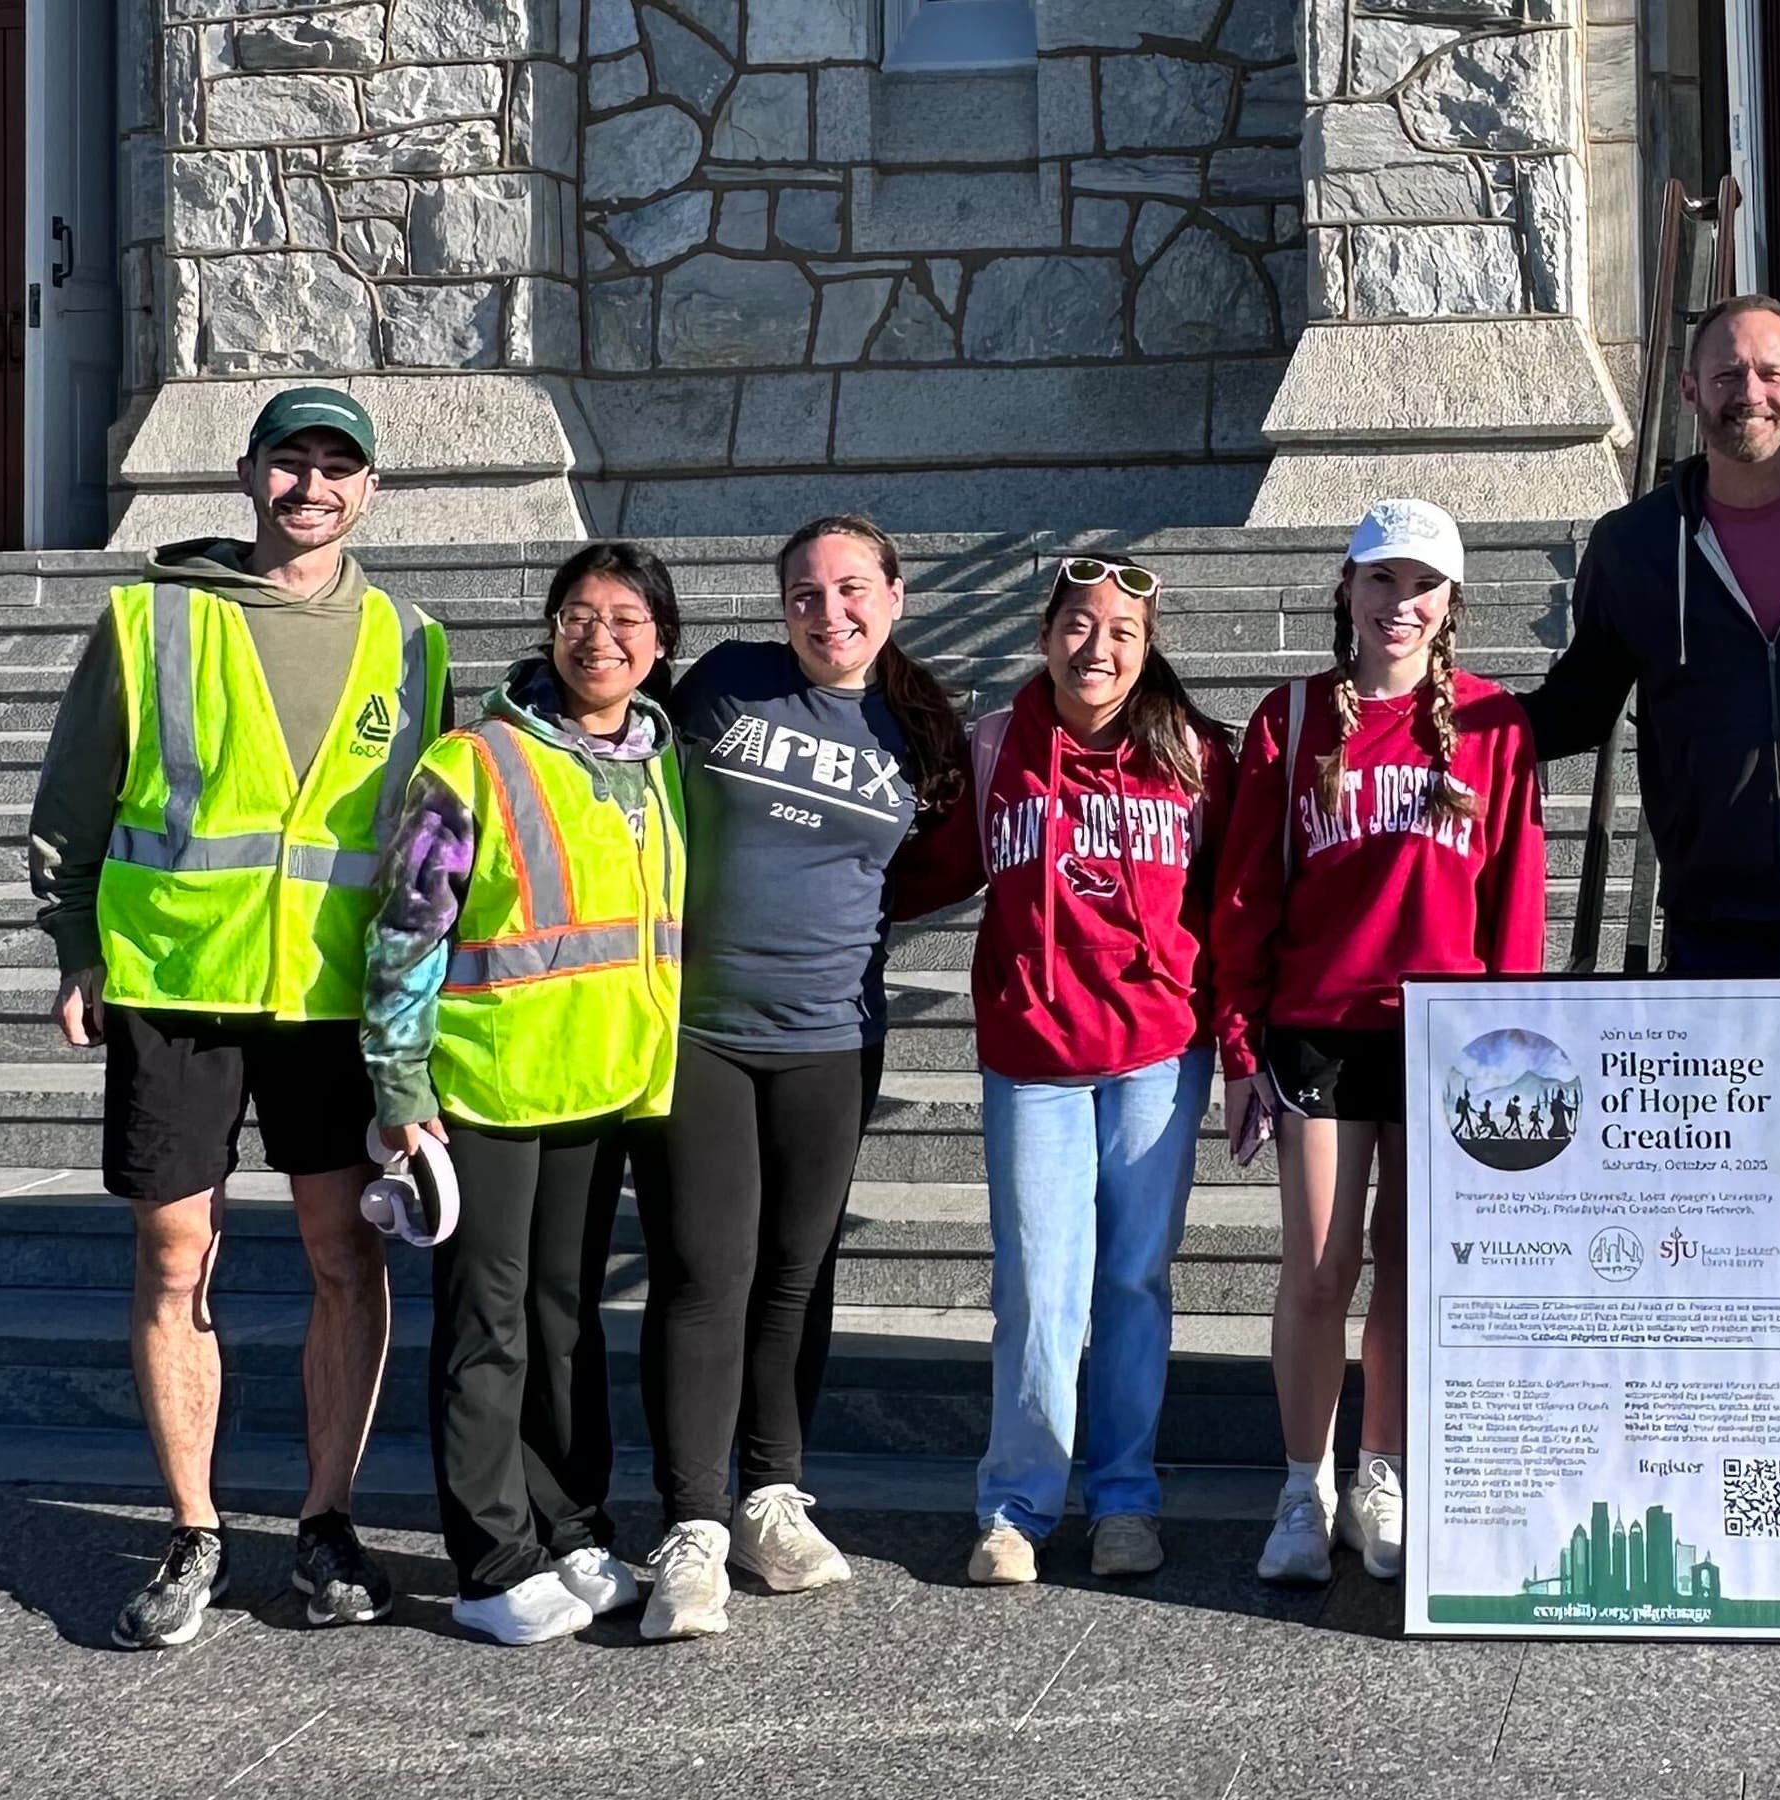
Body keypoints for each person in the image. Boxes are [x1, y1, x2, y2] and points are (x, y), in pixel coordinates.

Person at [1519, 296, 1780, 1602]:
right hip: (1718, 927)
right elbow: (1581, 701)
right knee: (1726, 1228)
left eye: (1767, 371)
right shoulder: (1638, 544)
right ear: (1689, 391)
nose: (1744, 390)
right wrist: (1451, 731)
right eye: (1721, 373)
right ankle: (1732, 1477)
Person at [26, 387, 446, 1649]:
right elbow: (74, 798)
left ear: (368, 490)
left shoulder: (411, 642)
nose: (311, 488)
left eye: (337, 467)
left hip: (331, 1004)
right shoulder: (150, 616)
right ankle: (194, 1528)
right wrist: (76, 941)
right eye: (289, 463)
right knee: (172, 1258)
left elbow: (427, 854)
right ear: (248, 475)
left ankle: (325, 1522)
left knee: (342, 1255)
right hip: (175, 986)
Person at [629, 515, 967, 1641]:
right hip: (702, 1031)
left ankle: (773, 1496)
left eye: (852, 589)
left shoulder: (915, 723)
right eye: (805, 596)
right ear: (779, 609)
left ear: (895, 596)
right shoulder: (726, 683)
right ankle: (691, 1526)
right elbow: (620, 766)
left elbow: (923, 865)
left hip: (831, 1036)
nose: (831, 613)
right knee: (700, 1273)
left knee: (795, 1273)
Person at [1213, 499, 1545, 1585]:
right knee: (1319, 1267)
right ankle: (1300, 1486)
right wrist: (1237, 1040)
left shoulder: (1494, 725)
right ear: (1344, 592)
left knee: (1408, 1269)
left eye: (1421, 585)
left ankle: (1381, 1471)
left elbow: (1514, 900)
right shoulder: (1294, 717)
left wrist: (1512, 1047)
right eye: (1380, 581)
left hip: (1448, 1039)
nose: (1399, 604)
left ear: (1451, 605)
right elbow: (1247, 892)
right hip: (1317, 1026)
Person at [362, 543, 684, 1645]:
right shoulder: (473, 760)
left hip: (598, 1087)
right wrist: (399, 1085)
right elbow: (406, 931)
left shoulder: (655, 757)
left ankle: (572, 1525)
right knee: (486, 1327)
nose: (601, 637)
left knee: (563, 1324)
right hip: (485, 1089)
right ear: (549, 630)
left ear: (660, 641)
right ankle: (491, 1557)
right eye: (579, 616)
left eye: (627, 619)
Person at [893, 555, 1235, 1587]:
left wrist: (1244, 1036)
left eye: (1122, 634)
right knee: (1039, 1285)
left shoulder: (1194, 758)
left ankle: (1124, 1497)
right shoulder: (995, 748)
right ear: (1044, 637)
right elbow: (926, 869)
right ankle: (1016, 1504)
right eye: (1079, 628)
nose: (1098, 649)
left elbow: (1230, 903)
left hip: (1157, 1054)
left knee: (1131, 1280)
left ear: (1148, 650)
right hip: (1033, 1055)